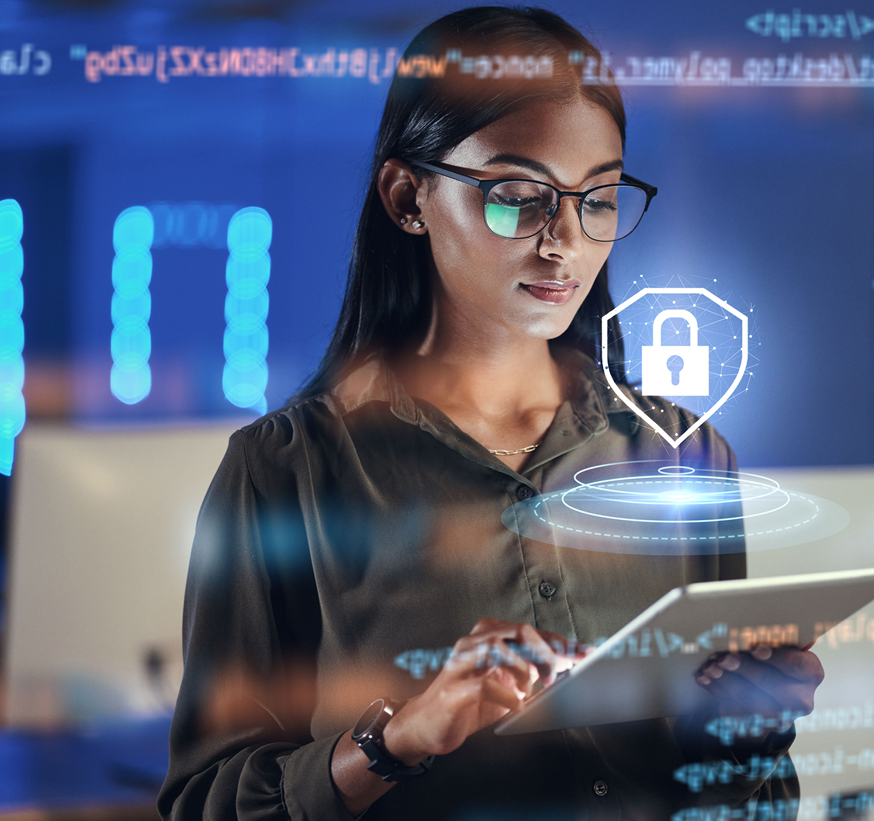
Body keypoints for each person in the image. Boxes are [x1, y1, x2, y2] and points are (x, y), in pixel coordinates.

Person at [160, 7, 823, 820]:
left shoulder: (681, 455)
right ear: (409, 197)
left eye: (600, 199)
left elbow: (761, 805)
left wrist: (748, 737)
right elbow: (205, 804)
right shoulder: (285, 471)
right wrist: (396, 739)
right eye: (518, 197)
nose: (564, 244)